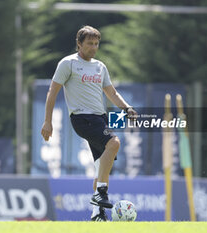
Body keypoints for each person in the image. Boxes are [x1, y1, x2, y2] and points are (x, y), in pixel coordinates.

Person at [41, 25, 137, 221]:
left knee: (101, 167)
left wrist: (126, 108)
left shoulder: (100, 66)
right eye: (89, 43)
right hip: (82, 118)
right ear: (79, 44)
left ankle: (97, 214)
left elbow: (112, 93)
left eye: (96, 44)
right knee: (114, 143)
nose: (93, 47)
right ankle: (102, 194)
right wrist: (47, 122)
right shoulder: (68, 64)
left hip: (100, 117)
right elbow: (52, 92)